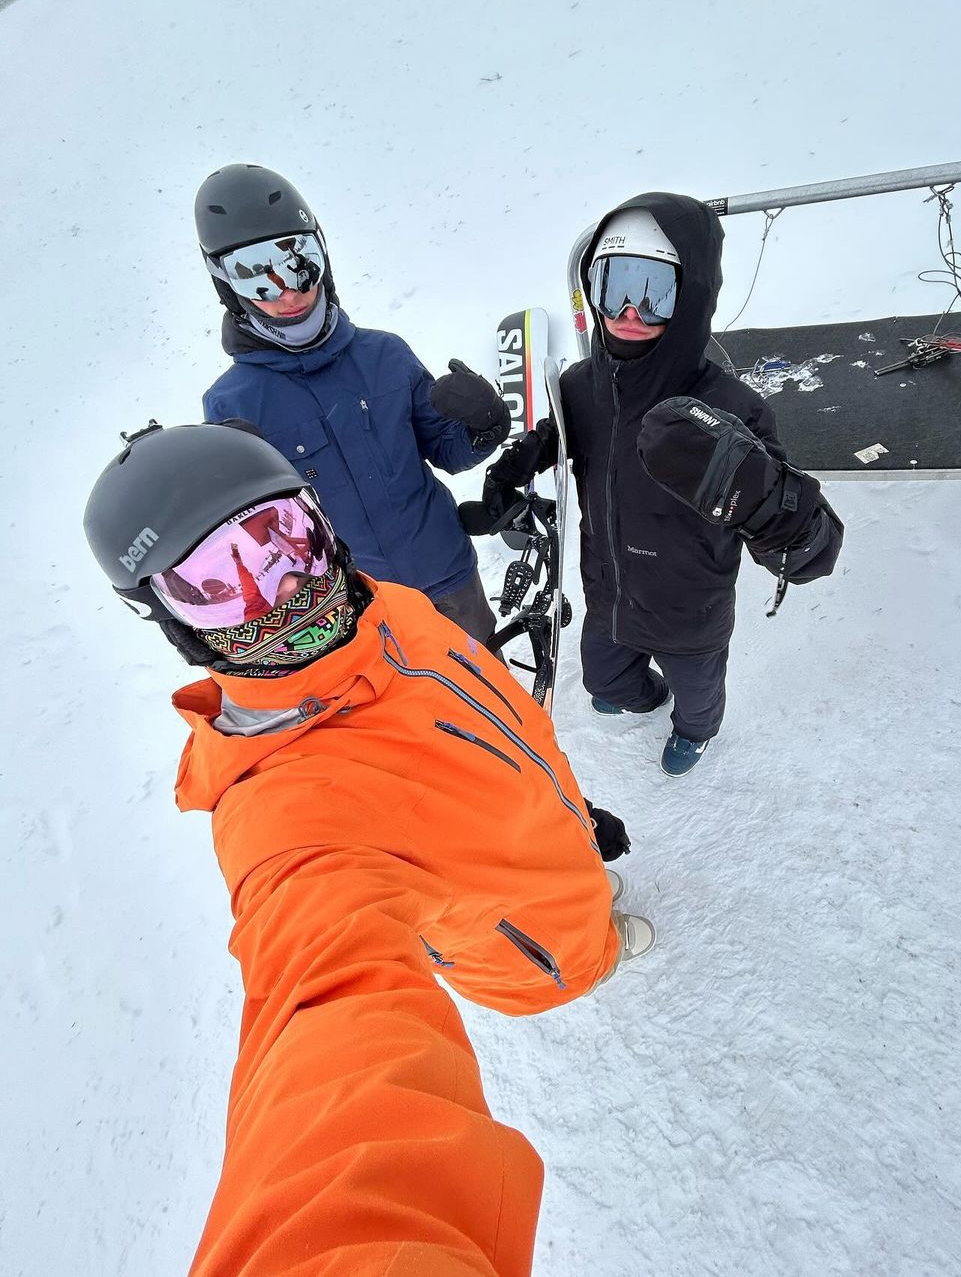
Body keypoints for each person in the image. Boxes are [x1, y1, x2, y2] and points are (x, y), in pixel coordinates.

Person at [83, 419, 654, 1276]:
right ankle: (597, 957)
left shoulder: (387, 609)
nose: (282, 589)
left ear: (319, 518)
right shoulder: (284, 817)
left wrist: (568, 808)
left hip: (553, 838)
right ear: (170, 621)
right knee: (587, 953)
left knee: (591, 891)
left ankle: (594, 899)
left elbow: (490, 720)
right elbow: (328, 1022)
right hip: (530, 951)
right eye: (218, 584)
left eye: (281, 537)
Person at [480, 193, 843, 778]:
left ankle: (696, 731)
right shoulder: (579, 385)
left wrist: (763, 500)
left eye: (655, 292)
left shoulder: (732, 407)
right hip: (610, 593)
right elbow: (564, 435)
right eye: (616, 286)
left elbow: (812, 556)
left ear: (691, 296)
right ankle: (647, 695)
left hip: (689, 608)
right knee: (605, 681)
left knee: (698, 700)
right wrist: (518, 463)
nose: (631, 310)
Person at [195, 162, 511, 649]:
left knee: (486, 683)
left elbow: (446, 450)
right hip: (356, 608)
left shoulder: (385, 355)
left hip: (447, 575)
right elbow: (257, 541)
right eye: (259, 279)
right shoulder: (232, 405)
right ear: (227, 288)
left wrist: (483, 425)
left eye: (299, 264)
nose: (289, 292)